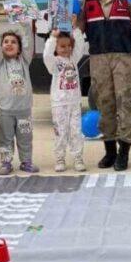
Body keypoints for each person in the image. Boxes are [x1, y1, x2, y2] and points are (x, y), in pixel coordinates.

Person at [77, 0, 131, 171]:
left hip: (124, 56)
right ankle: (110, 152)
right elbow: (79, 27)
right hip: (99, 57)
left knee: (126, 101)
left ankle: (124, 152)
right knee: (105, 103)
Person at [0, 17, 35, 175]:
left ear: (20, 48)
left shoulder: (24, 61)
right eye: (5, 42)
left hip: (24, 110)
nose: (9, 44)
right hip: (6, 110)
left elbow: (28, 44)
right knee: (5, 137)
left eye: (13, 42)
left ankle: (26, 161)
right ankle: (6, 162)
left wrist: (25, 26)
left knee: (25, 137)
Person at [43, 26, 88, 172]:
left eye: (69, 46)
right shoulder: (54, 63)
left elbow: (80, 47)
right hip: (59, 103)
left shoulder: (73, 60)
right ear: (56, 47)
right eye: (62, 46)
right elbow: (46, 55)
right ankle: (59, 158)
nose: (66, 49)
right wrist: (52, 38)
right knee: (60, 132)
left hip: (74, 102)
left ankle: (78, 157)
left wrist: (75, 29)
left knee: (76, 131)